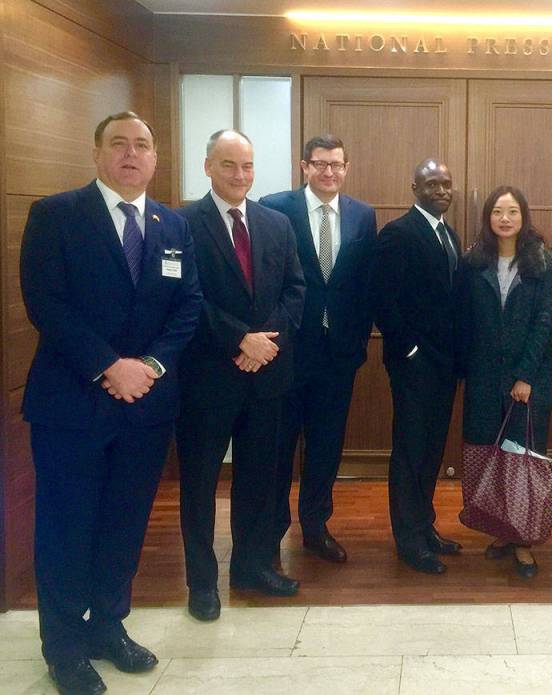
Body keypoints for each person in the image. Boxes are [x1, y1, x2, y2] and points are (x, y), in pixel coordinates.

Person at [20, 111, 202, 694]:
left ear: (155, 158)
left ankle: (109, 628)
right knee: (66, 527)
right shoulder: (56, 215)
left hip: (146, 407)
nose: (132, 153)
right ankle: (65, 647)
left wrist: (147, 367)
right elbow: (45, 303)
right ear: (98, 153)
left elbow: (188, 306)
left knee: (124, 525)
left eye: (143, 145)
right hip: (71, 406)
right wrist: (108, 366)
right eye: (119, 144)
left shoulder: (170, 225)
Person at [176, 130, 306, 621]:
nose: (240, 176)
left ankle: (251, 567)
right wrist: (239, 339)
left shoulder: (276, 224)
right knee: (201, 482)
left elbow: (295, 290)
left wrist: (265, 342)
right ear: (207, 166)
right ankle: (202, 582)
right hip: (208, 378)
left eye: (248, 166)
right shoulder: (182, 223)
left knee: (259, 478)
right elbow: (186, 298)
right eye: (229, 165)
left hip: (267, 376)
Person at [259, 135, 378, 565]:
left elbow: (364, 282)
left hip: (339, 353)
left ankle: (316, 526)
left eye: (337, 165)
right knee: (279, 445)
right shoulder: (275, 207)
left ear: (347, 167)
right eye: (320, 164)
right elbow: (266, 278)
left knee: (326, 445)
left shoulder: (363, 215)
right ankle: (271, 533)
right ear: (304, 166)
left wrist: (360, 339)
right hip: (288, 350)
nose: (329, 172)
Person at [460, 186, 552, 578]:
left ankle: (523, 542)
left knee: (521, 458)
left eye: (512, 211)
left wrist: (524, 376)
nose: (505, 218)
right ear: (488, 217)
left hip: (527, 380)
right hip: (484, 377)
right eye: (498, 211)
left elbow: (543, 323)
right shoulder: (474, 262)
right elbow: (466, 320)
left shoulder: (541, 261)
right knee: (492, 456)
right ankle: (502, 529)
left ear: (523, 216)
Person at [374, 158, 464, 574]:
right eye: (432, 184)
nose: (442, 190)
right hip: (414, 364)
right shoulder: (398, 233)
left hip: (445, 364)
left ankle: (424, 526)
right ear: (415, 188)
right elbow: (385, 301)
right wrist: (408, 350)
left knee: (431, 449)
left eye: (446, 183)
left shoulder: (449, 234)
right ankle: (408, 540)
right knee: (410, 450)